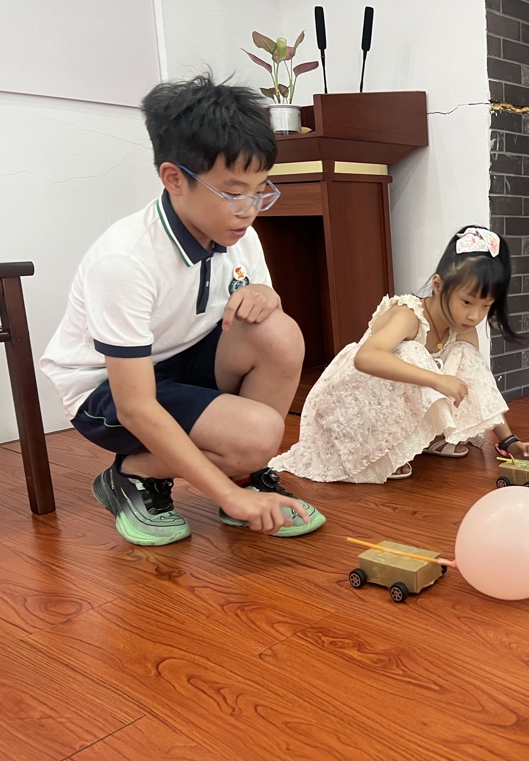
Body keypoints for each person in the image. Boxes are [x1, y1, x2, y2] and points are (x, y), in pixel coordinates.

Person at [40, 75, 325, 546]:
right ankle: (134, 476)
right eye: (234, 193)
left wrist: (267, 296)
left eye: (261, 190)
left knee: (279, 332)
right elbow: (135, 406)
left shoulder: (240, 234)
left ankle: (243, 470)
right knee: (257, 435)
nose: (250, 210)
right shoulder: (126, 259)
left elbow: (263, 309)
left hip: (181, 358)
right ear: (174, 178)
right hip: (108, 391)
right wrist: (231, 500)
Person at [270, 225, 529, 483]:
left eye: (485, 306)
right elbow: (365, 358)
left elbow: (477, 385)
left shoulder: (463, 330)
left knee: (466, 355)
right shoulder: (409, 314)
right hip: (355, 401)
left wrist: (509, 442)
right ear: (438, 284)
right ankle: (382, 450)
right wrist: (437, 380)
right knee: (410, 351)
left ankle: (427, 438)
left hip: (393, 402)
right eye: (467, 302)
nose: (474, 315)